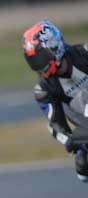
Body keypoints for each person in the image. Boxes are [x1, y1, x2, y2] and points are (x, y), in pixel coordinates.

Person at [22, 20, 88, 182]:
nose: (38, 65)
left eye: (39, 57)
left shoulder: (84, 53)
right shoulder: (44, 89)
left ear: (54, 47)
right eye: (33, 61)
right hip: (84, 128)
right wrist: (73, 143)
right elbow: (55, 126)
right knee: (83, 168)